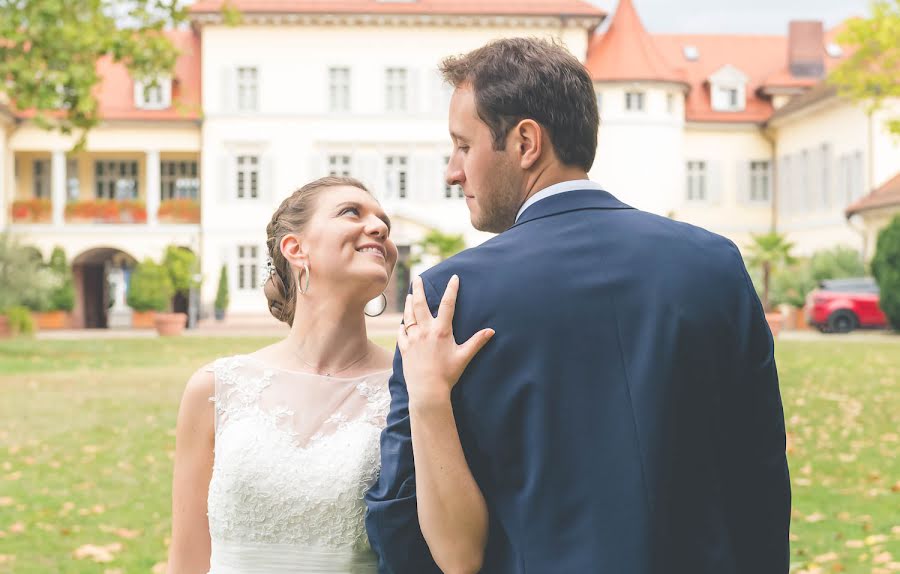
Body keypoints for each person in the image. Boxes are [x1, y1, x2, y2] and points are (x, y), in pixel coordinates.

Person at [365, 38, 791, 574]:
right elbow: (759, 480)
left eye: (463, 146)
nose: (453, 171)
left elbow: (403, 515)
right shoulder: (714, 265)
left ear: (525, 143)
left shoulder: (445, 298)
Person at [167, 176, 405, 573]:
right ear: (296, 249)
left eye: (384, 223)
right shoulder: (215, 388)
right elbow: (186, 561)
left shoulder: (409, 389)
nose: (380, 228)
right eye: (351, 212)